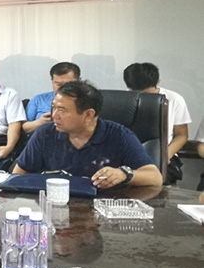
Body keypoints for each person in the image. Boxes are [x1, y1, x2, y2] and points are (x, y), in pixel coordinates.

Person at [14, 80, 161, 188]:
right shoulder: (45, 133)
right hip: (55, 204)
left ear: (88, 114)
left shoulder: (119, 135)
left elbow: (155, 177)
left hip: (101, 207)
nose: (54, 115)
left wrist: (123, 174)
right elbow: (18, 174)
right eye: (54, 108)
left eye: (62, 110)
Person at [123, 62, 191, 184]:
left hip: (164, 155)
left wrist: (165, 156)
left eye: (148, 94)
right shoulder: (121, 100)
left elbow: (181, 135)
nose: (144, 98)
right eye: (138, 94)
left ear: (158, 82)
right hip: (127, 156)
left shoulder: (174, 99)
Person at [23, 62, 81, 135]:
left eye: (67, 84)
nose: (62, 88)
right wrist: (39, 122)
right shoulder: (39, 100)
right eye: (58, 84)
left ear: (78, 81)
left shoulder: (86, 101)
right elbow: (23, 128)